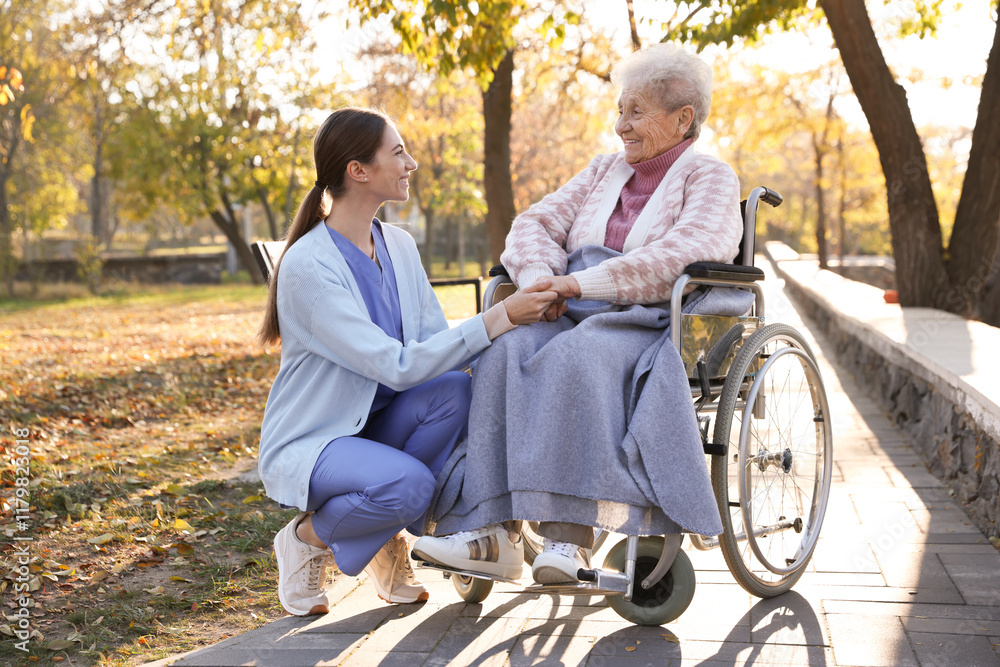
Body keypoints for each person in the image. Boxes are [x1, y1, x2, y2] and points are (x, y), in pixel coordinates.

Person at [412, 42, 744, 585]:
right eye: (620, 110)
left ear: (683, 117)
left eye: (636, 111)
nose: (621, 125)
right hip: (569, 306)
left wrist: (582, 281)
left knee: (580, 356)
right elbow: (533, 223)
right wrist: (543, 281)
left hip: (647, 318)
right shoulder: (601, 171)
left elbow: (687, 252)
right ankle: (491, 530)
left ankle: (570, 539)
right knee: (504, 350)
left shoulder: (709, 177)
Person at [257, 107, 558, 615]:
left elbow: (434, 350)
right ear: (358, 171)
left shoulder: (397, 244)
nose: (411, 163)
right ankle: (308, 538)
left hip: (382, 425)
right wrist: (499, 317)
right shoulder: (308, 266)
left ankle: (373, 526)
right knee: (413, 485)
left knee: (455, 390)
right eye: (398, 153)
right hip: (320, 439)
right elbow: (395, 365)